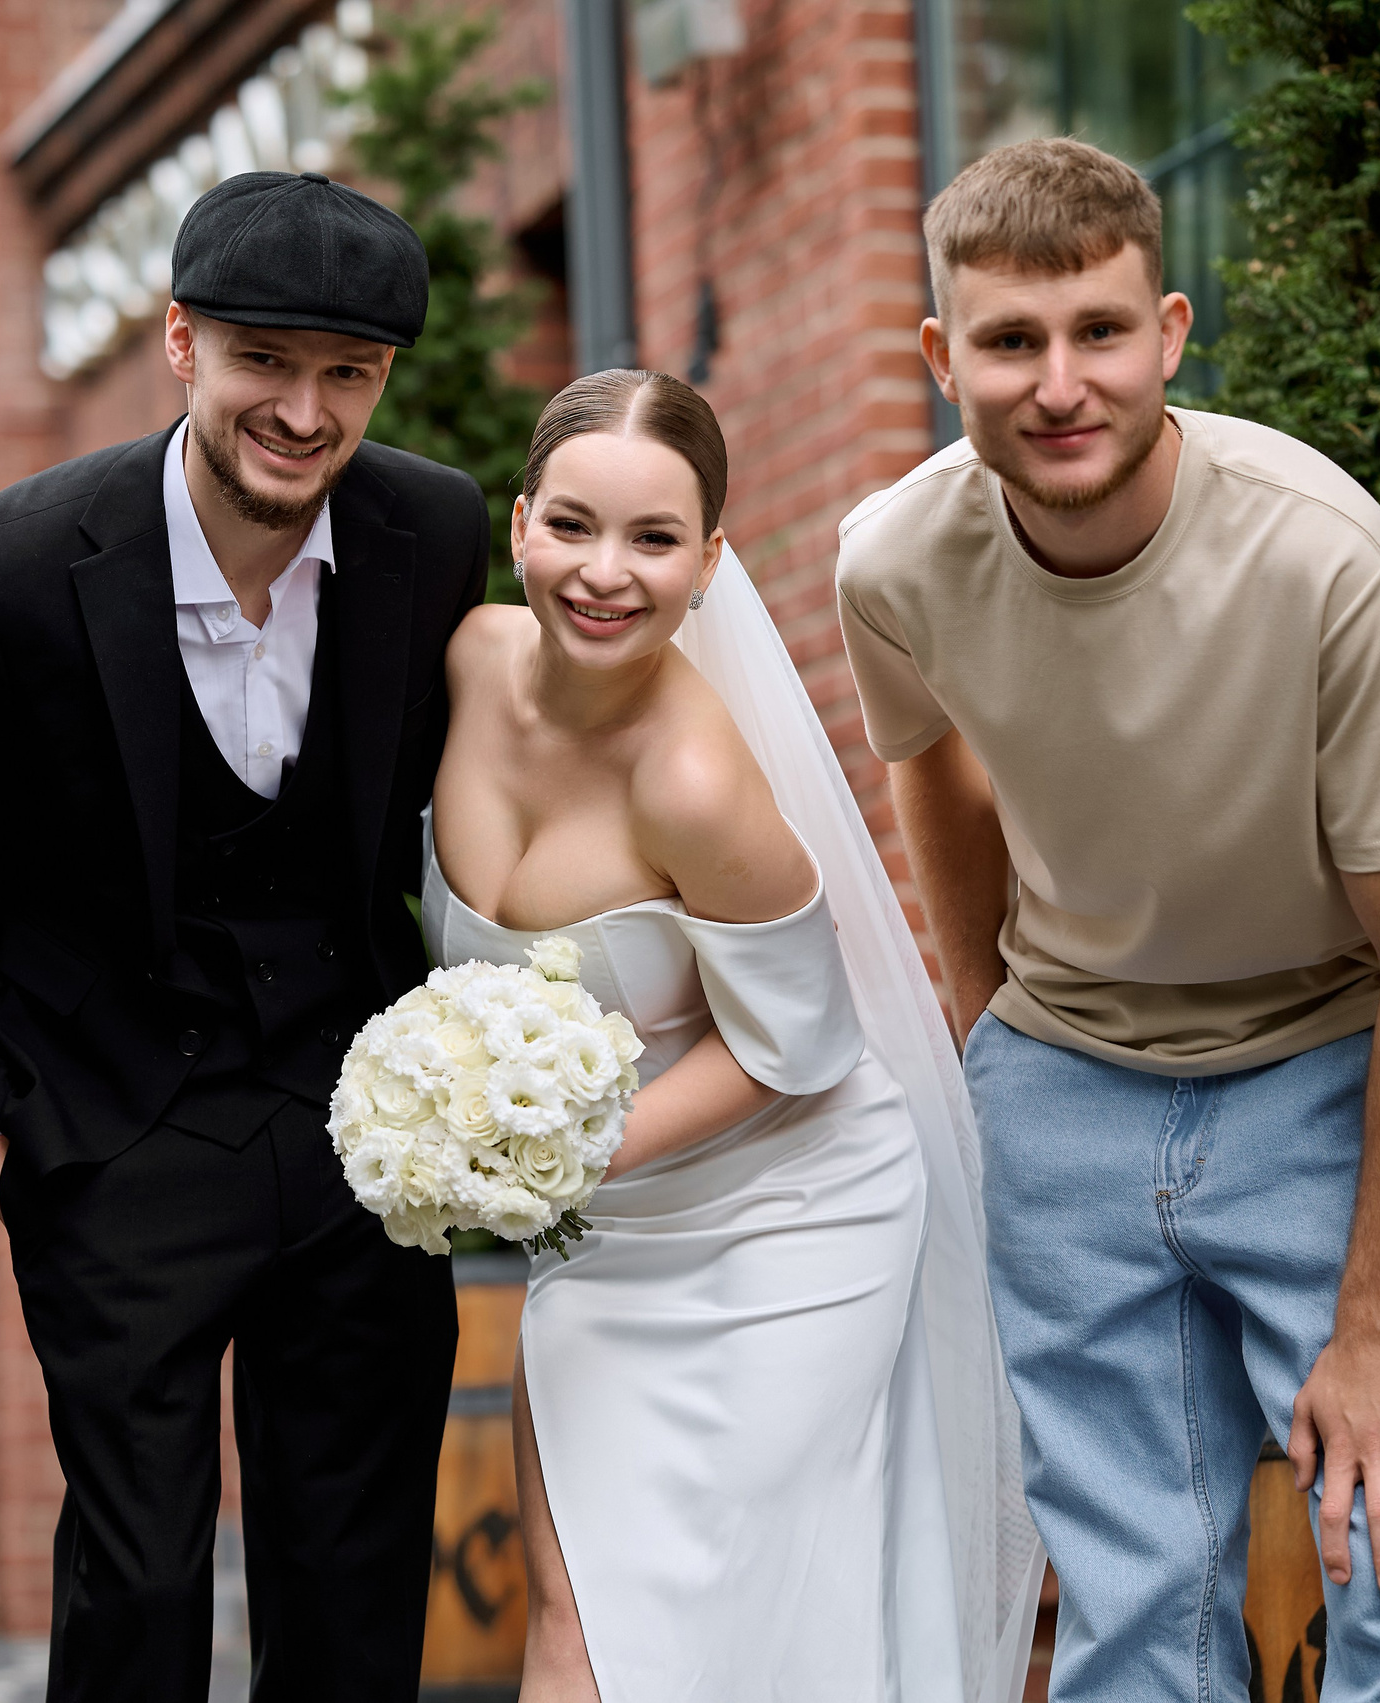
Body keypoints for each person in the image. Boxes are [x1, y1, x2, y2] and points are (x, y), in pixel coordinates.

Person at [837, 138, 1380, 1703]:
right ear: (944, 358)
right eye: (1009, 341)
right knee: (1134, 1607)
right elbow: (934, 770)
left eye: (1101, 333)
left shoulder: (1328, 560)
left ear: (1173, 334)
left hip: (1328, 1057)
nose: (1059, 384)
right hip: (1069, 1083)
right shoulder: (897, 559)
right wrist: (990, 1036)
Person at [0, 170, 486, 1700]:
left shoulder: (429, 532)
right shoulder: (7, 566)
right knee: (142, 1578)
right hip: (112, 1123)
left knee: (354, 1573)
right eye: (264, 363)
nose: (303, 410)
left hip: (357, 1126)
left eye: (345, 375)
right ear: (180, 342)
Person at [426, 367, 1041, 1703]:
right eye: (575, 526)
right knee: (572, 1632)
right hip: (604, 1246)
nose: (606, 572)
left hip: (788, 1224)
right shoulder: (464, 666)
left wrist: (551, 1161)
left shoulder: (695, 782)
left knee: (737, 1639)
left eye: (654, 540)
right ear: (520, 523)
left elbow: (795, 1051)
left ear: (709, 562)